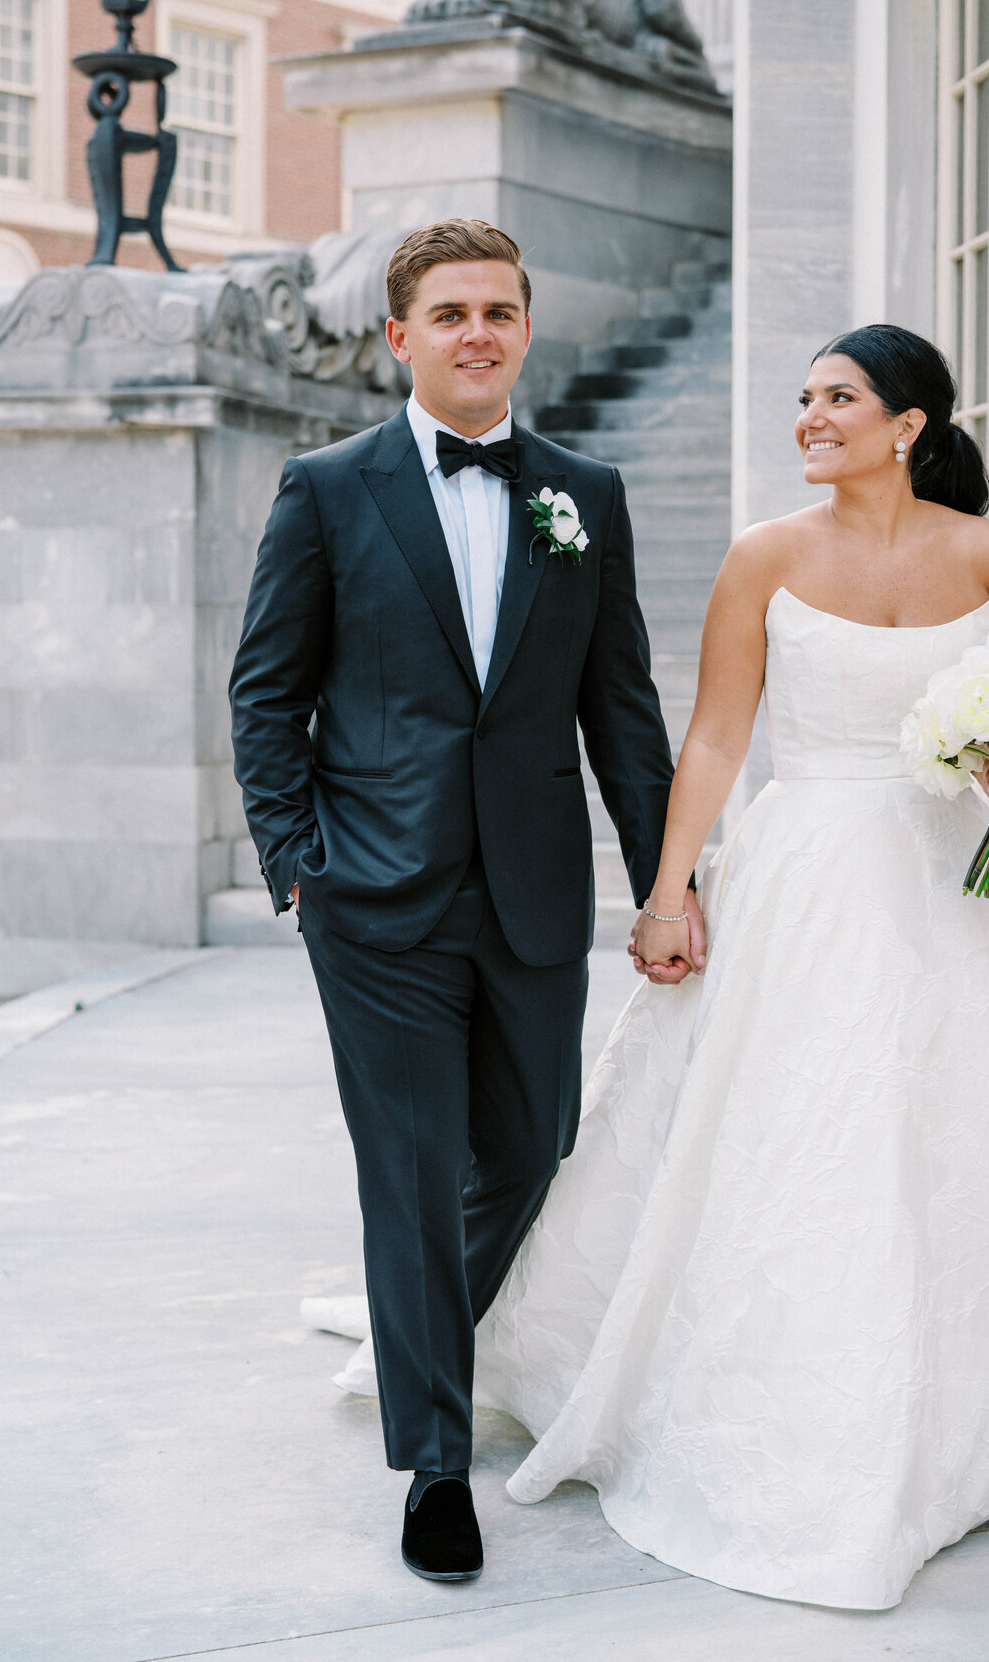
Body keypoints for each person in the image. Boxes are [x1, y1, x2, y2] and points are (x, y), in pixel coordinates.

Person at [472, 324, 989, 1609]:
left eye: (838, 397)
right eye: (804, 397)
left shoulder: (985, 552)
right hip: (809, 879)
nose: (809, 416)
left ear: (908, 425)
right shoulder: (765, 555)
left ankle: (964, 1413)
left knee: (958, 1123)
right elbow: (714, 738)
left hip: (952, 886)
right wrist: (669, 893)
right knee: (809, 1128)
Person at [228, 219, 703, 1584]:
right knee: (412, 1173)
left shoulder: (585, 494)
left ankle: (415, 1341)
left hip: (537, 893)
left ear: (525, 329)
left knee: (531, 1150)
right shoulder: (328, 490)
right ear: (401, 337)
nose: (477, 333)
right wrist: (298, 860)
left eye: (497, 311)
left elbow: (622, 711)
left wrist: (665, 884)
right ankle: (435, 1461)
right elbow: (266, 691)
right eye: (450, 314)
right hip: (375, 900)